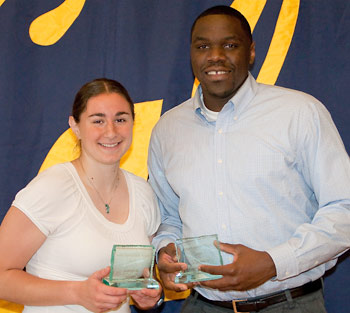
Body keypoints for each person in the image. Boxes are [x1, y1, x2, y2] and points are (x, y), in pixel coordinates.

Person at [148, 5, 350, 313]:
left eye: (230, 45)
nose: (215, 56)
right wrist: (166, 252)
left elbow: (343, 209)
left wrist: (273, 263)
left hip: (289, 304)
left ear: (251, 52)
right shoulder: (167, 129)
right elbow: (169, 217)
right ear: (191, 54)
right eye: (203, 46)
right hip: (202, 305)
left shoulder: (299, 113)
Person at [0, 78, 163, 313]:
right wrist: (77, 293)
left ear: (133, 124)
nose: (111, 131)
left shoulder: (143, 193)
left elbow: (142, 280)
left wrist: (148, 297)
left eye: (120, 119)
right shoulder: (51, 187)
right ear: (75, 126)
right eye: (98, 120)